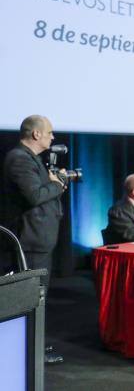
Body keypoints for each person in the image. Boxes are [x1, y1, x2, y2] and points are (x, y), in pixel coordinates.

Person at [2, 115, 67, 364]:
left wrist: (53, 182)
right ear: (36, 134)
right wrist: (58, 183)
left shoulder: (31, 159)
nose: (52, 137)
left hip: (39, 239)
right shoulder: (19, 159)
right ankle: (27, 352)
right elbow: (34, 195)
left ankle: (35, 345)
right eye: (50, 132)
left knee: (38, 296)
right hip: (29, 240)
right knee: (29, 298)